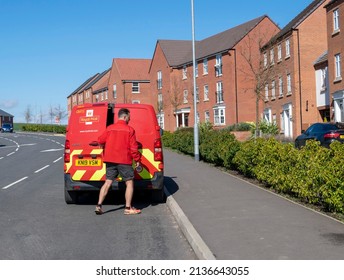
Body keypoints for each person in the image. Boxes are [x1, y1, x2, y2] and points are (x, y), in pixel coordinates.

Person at [95, 108, 141, 215]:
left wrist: (103, 145)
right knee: (129, 183)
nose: (130, 119)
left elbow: (100, 140)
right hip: (124, 160)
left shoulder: (110, 128)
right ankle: (128, 208)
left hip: (110, 160)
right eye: (129, 117)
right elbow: (133, 148)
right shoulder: (130, 130)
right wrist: (137, 159)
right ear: (125, 117)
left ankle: (99, 205)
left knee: (107, 182)